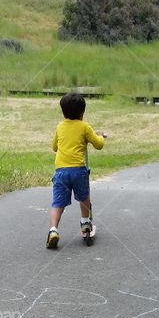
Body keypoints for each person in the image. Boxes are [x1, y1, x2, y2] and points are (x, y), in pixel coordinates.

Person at [47, 92, 107, 249]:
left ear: (63, 112)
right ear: (82, 112)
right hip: (78, 170)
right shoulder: (84, 126)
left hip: (61, 172)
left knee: (58, 202)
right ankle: (85, 223)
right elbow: (98, 145)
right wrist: (100, 136)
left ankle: (53, 230)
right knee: (83, 197)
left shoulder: (60, 127)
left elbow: (54, 147)